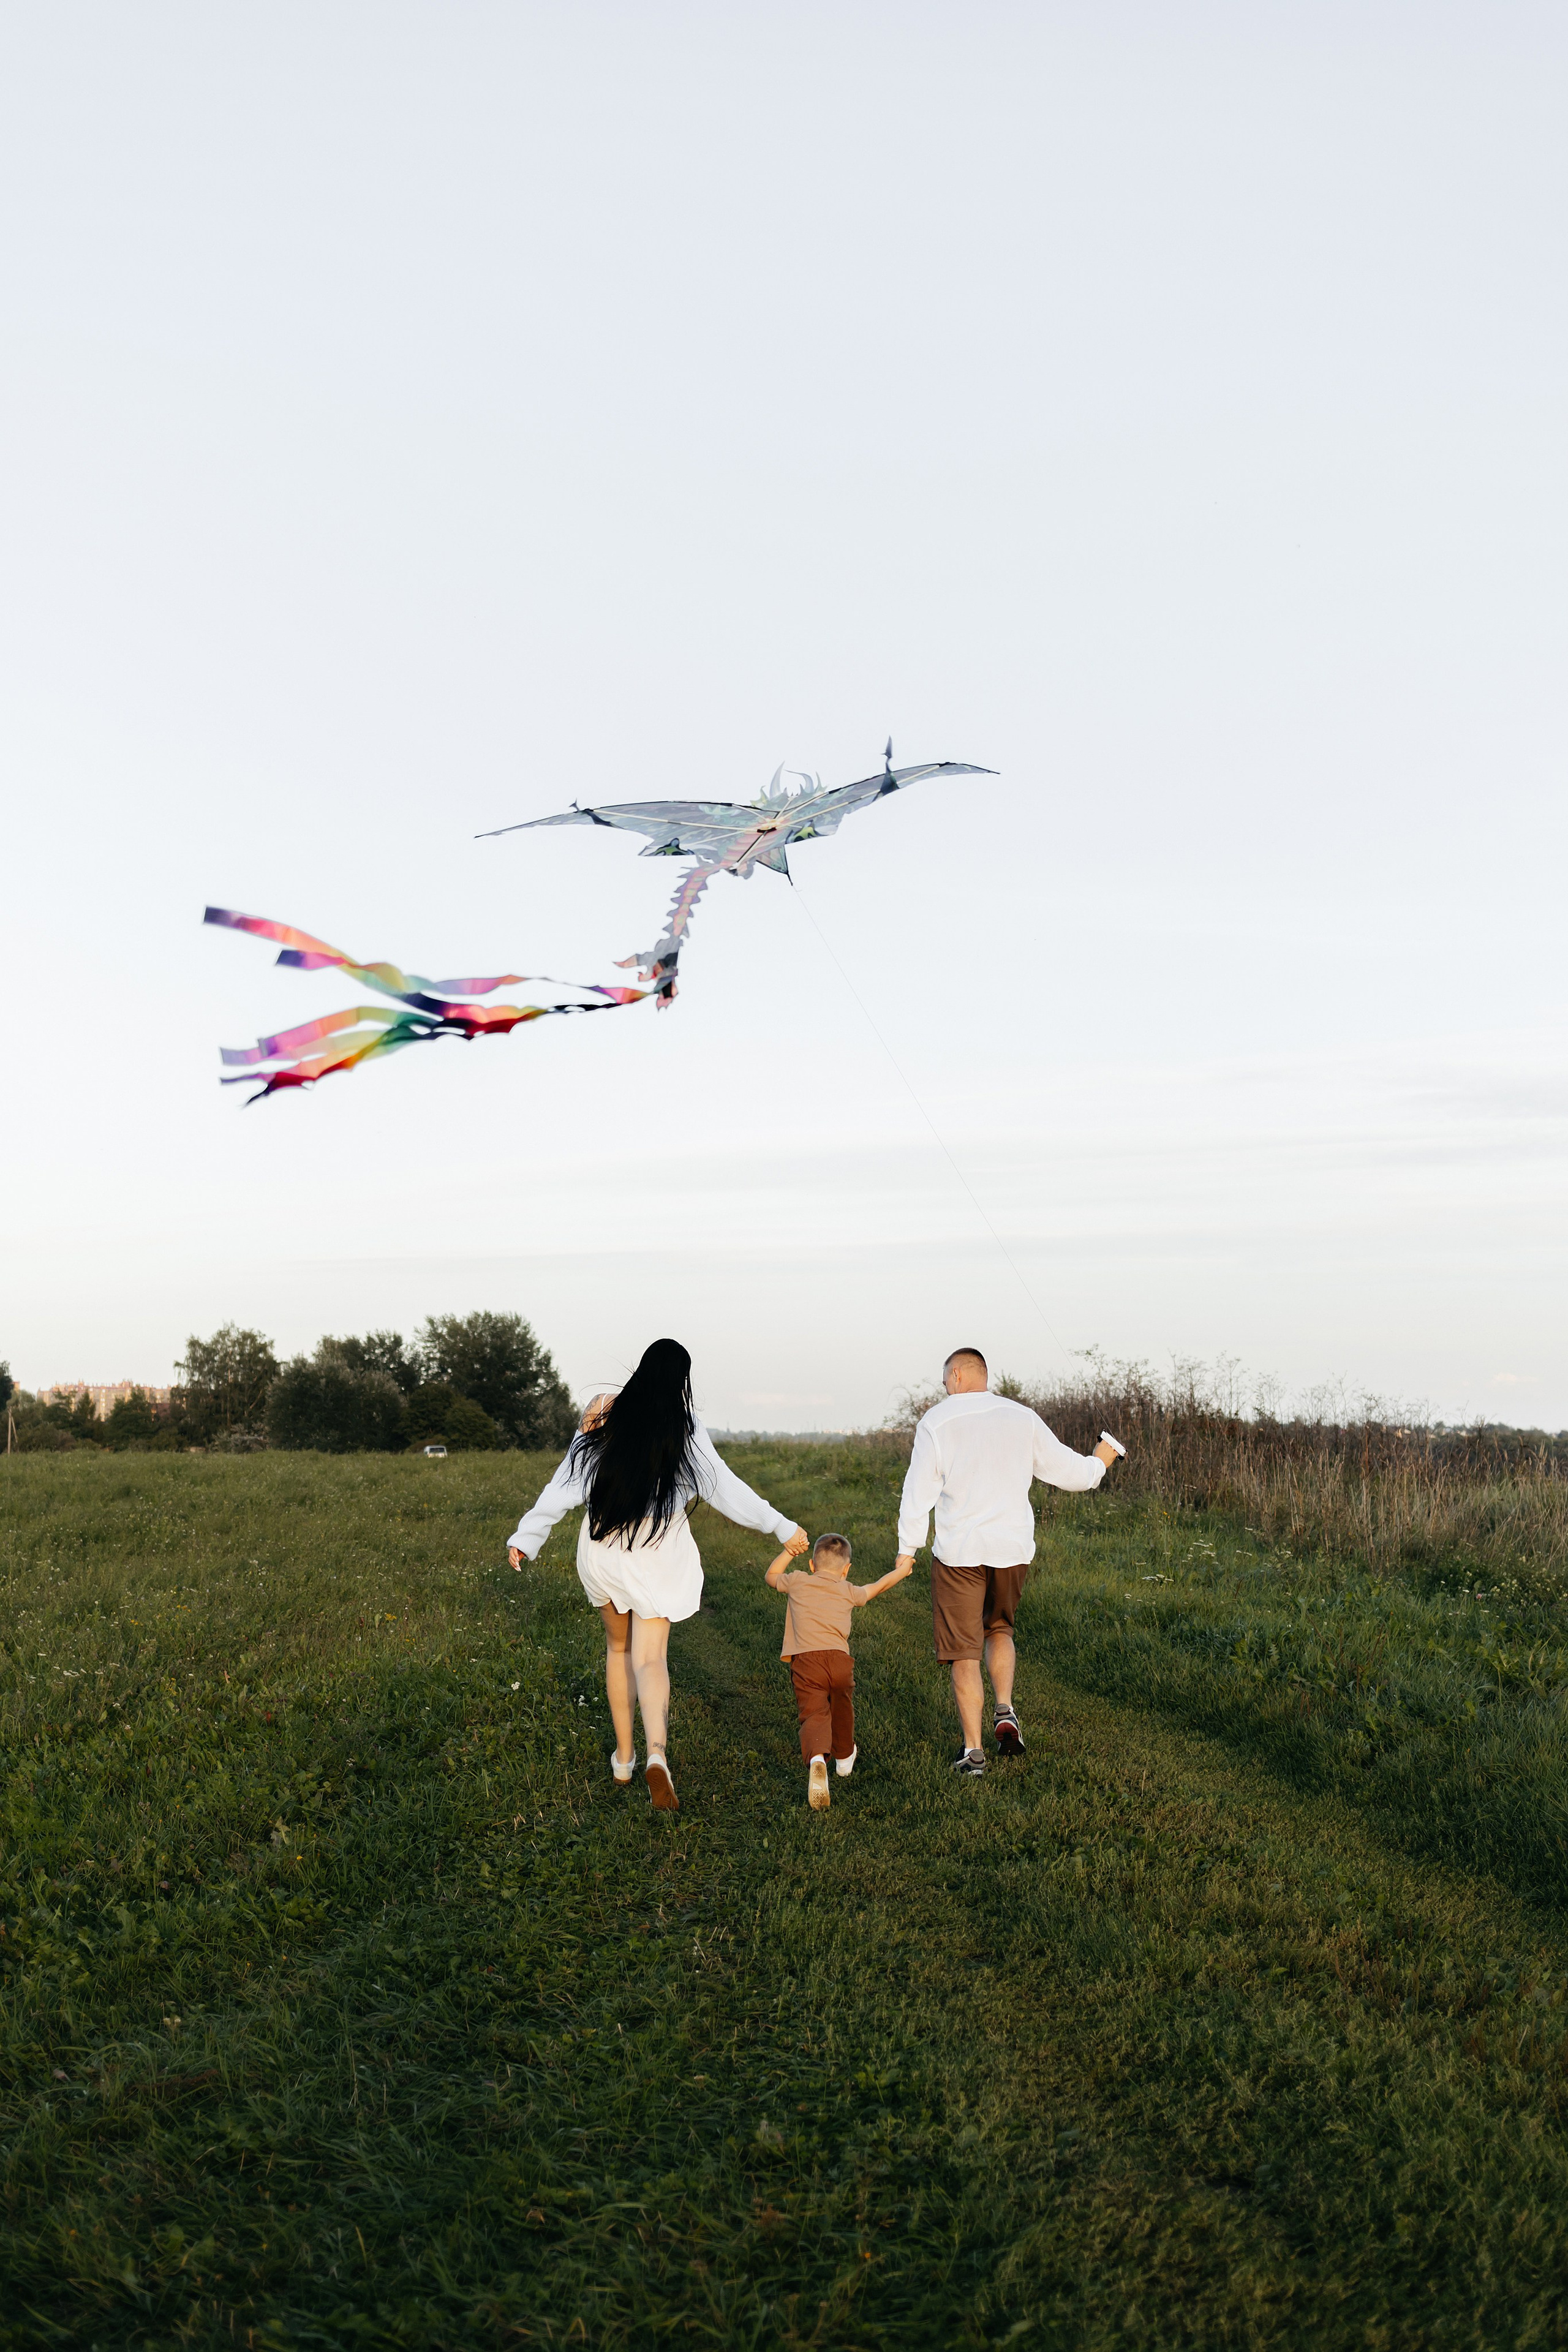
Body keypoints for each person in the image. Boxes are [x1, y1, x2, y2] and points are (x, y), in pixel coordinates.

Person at [507, 1338, 807, 1811]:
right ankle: (656, 1754)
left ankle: (623, 1758)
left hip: (603, 1556)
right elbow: (725, 1488)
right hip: (657, 1557)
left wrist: (527, 1537)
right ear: (682, 1381)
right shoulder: (684, 1429)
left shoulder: (604, 1414)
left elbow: (564, 1483)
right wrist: (781, 1525)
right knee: (650, 1659)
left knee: (617, 1649)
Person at [894, 1347, 1123, 1776]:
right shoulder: (1022, 1416)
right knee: (999, 1628)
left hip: (960, 1553)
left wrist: (908, 1550)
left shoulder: (937, 1422)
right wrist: (1102, 1460)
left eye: (946, 1379)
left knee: (964, 1653)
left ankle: (974, 1754)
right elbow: (1073, 1474)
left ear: (959, 1375)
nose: (945, 1387)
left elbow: (917, 1492)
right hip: (1012, 1550)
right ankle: (1005, 1709)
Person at [764, 1532, 912, 1811]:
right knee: (842, 1707)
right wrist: (902, 1571)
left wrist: (789, 1552)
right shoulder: (848, 1589)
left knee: (814, 1711)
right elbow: (878, 1587)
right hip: (841, 1661)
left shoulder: (797, 1581)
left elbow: (771, 1575)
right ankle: (844, 1759)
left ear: (812, 1565)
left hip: (807, 1662)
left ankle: (818, 1759)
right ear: (846, 1570)